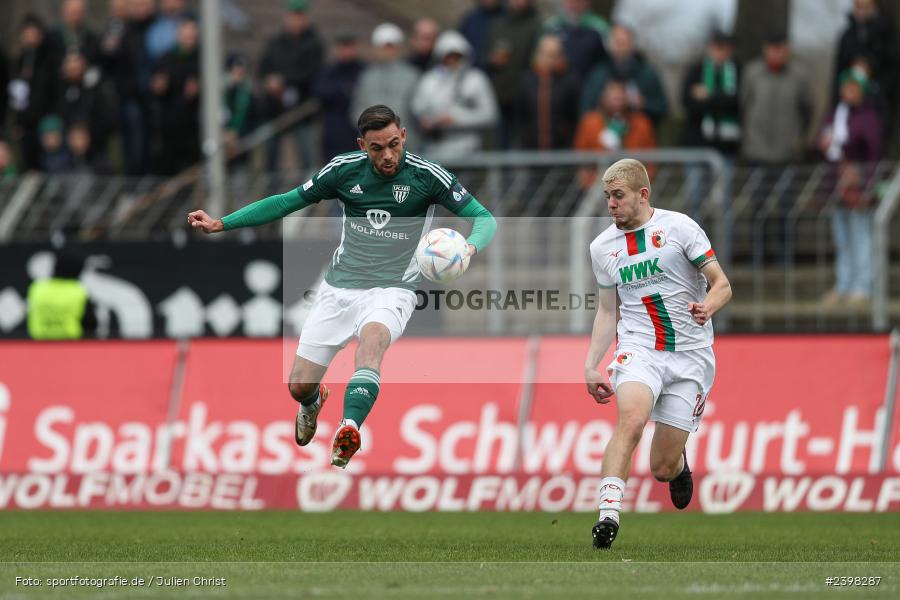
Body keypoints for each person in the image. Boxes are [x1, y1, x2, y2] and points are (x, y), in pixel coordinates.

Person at [187, 105, 498, 468]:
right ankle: (312, 402)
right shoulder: (342, 170)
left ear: (404, 138)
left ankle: (349, 428)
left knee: (372, 345)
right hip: (338, 289)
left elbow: (483, 218)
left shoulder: (427, 176)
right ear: (362, 145)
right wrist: (222, 223)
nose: (388, 155)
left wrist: (467, 248)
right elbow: (286, 202)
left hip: (394, 288)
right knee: (298, 386)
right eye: (378, 147)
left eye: (394, 144)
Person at [584, 158, 731, 549]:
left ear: (642, 194)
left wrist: (708, 306)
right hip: (640, 348)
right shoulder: (602, 248)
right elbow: (606, 309)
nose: (611, 205)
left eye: (618, 196)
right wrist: (590, 364)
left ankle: (679, 466)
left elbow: (722, 284)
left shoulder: (680, 228)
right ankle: (607, 517)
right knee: (630, 421)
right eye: (607, 197)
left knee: (661, 468)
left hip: (690, 356)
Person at [740, 32, 813, 265]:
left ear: (787, 49)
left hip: (787, 155)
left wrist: (799, 140)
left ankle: (786, 259)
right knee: (758, 209)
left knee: (786, 210)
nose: (776, 53)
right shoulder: (752, 73)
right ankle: (758, 259)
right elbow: (743, 106)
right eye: (772, 47)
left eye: (781, 48)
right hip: (757, 154)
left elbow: (808, 110)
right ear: (765, 49)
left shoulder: (799, 75)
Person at [819, 70, 884, 306]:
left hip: (859, 185)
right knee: (842, 239)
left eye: (855, 89)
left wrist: (865, 185)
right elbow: (823, 139)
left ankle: (863, 285)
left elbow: (874, 153)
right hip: (836, 184)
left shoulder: (869, 118)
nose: (850, 93)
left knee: (861, 236)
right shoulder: (835, 115)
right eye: (847, 88)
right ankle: (844, 284)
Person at [681, 31, 741, 226]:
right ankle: (695, 252)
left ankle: (721, 251)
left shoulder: (738, 71)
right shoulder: (696, 70)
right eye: (716, 48)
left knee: (723, 204)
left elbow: (738, 103)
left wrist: (709, 96)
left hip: (726, 148)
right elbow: (687, 102)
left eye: (723, 48)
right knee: (694, 201)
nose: (719, 53)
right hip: (698, 146)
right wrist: (720, 99)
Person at [258, 0, 325, 172]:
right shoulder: (276, 42)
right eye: (293, 16)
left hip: (302, 108)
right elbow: (263, 67)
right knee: (271, 157)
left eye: (300, 16)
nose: (297, 20)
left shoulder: (314, 43)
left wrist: (284, 81)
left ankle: (309, 194)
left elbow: (312, 72)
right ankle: (270, 195)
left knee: (307, 156)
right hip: (275, 108)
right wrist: (269, 81)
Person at [411, 30, 499, 156]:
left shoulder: (476, 79)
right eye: (447, 56)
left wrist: (456, 119)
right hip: (435, 148)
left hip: (469, 148)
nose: (451, 61)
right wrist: (424, 120)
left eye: (456, 56)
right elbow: (417, 108)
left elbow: (490, 115)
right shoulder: (429, 80)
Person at [578, 23, 667, 126]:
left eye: (625, 43)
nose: (621, 48)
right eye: (617, 42)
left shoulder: (647, 74)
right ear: (610, 45)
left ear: (633, 45)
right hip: (602, 131)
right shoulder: (598, 73)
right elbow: (586, 109)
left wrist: (644, 105)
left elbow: (661, 108)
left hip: (636, 133)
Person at [574, 78, 656, 189]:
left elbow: (651, 155)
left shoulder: (641, 123)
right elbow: (581, 154)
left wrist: (644, 181)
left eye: (620, 95)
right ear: (603, 97)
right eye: (612, 95)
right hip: (598, 182)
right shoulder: (590, 122)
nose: (617, 100)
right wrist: (587, 181)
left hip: (633, 182)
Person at [351, 24, 420, 152]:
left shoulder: (411, 76)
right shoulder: (367, 77)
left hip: (406, 143)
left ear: (398, 48)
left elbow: (417, 111)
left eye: (390, 47)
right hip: (374, 144)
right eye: (383, 47)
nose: (387, 51)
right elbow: (357, 111)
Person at [485, 0, 541, 148]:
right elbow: (481, 54)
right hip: (499, 95)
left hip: (526, 96)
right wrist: (490, 59)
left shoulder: (536, 24)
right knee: (500, 143)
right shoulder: (496, 24)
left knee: (524, 142)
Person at [150, 16, 200, 175]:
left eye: (192, 36)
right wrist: (159, 87)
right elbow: (156, 88)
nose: (189, 40)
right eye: (186, 36)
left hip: (194, 127)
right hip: (170, 126)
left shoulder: (202, 58)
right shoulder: (166, 58)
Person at [516, 34, 580, 150]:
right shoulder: (527, 81)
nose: (550, 60)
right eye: (546, 55)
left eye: (554, 55)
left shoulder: (569, 81)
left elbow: (573, 117)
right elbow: (521, 116)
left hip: (561, 149)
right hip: (531, 148)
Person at [315, 32, 366, 160]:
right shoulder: (328, 71)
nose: (346, 51)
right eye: (343, 47)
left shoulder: (364, 70)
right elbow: (320, 92)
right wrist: (343, 91)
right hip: (334, 132)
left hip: (359, 131)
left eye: (349, 46)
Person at [27, 254, 97, 340]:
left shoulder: (37, 288)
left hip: (38, 343)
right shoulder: (78, 290)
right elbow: (90, 323)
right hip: (70, 344)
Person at [542, 0, 609, 79]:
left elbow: (605, 63)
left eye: (578, 1)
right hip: (557, 84)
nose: (574, 5)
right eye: (571, 1)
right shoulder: (552, 26)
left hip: (587, 82)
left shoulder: (599, 27)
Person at [458, 0, 506, 70]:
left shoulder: (508, 18)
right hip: (474, 71)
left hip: (502, 73)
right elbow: (461, 48)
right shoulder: (470, 21)